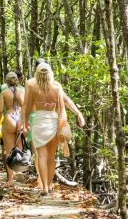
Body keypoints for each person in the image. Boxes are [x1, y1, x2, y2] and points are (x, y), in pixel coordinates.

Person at [22, 61, 85, 195]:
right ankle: (49, 185)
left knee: (42, 156)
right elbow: (66, 100)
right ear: (50, 73)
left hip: (39, 122)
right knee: (51, 157)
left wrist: (25, 123)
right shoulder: (57, 87)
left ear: (37, 74)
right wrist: (78, 113)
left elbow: (27, 108)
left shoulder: (33, 88)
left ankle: (44, 187)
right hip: (53, 122)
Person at [0, 71, 26, 184]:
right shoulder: (22, 92)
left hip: (9, 117)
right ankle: (19, 172)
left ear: (7, 81)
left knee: (9, 150)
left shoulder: (4, 93)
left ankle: (10, 179)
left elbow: (0, 110)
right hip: (20, 118)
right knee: (19, 149)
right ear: (17, 81)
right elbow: (25, 108)